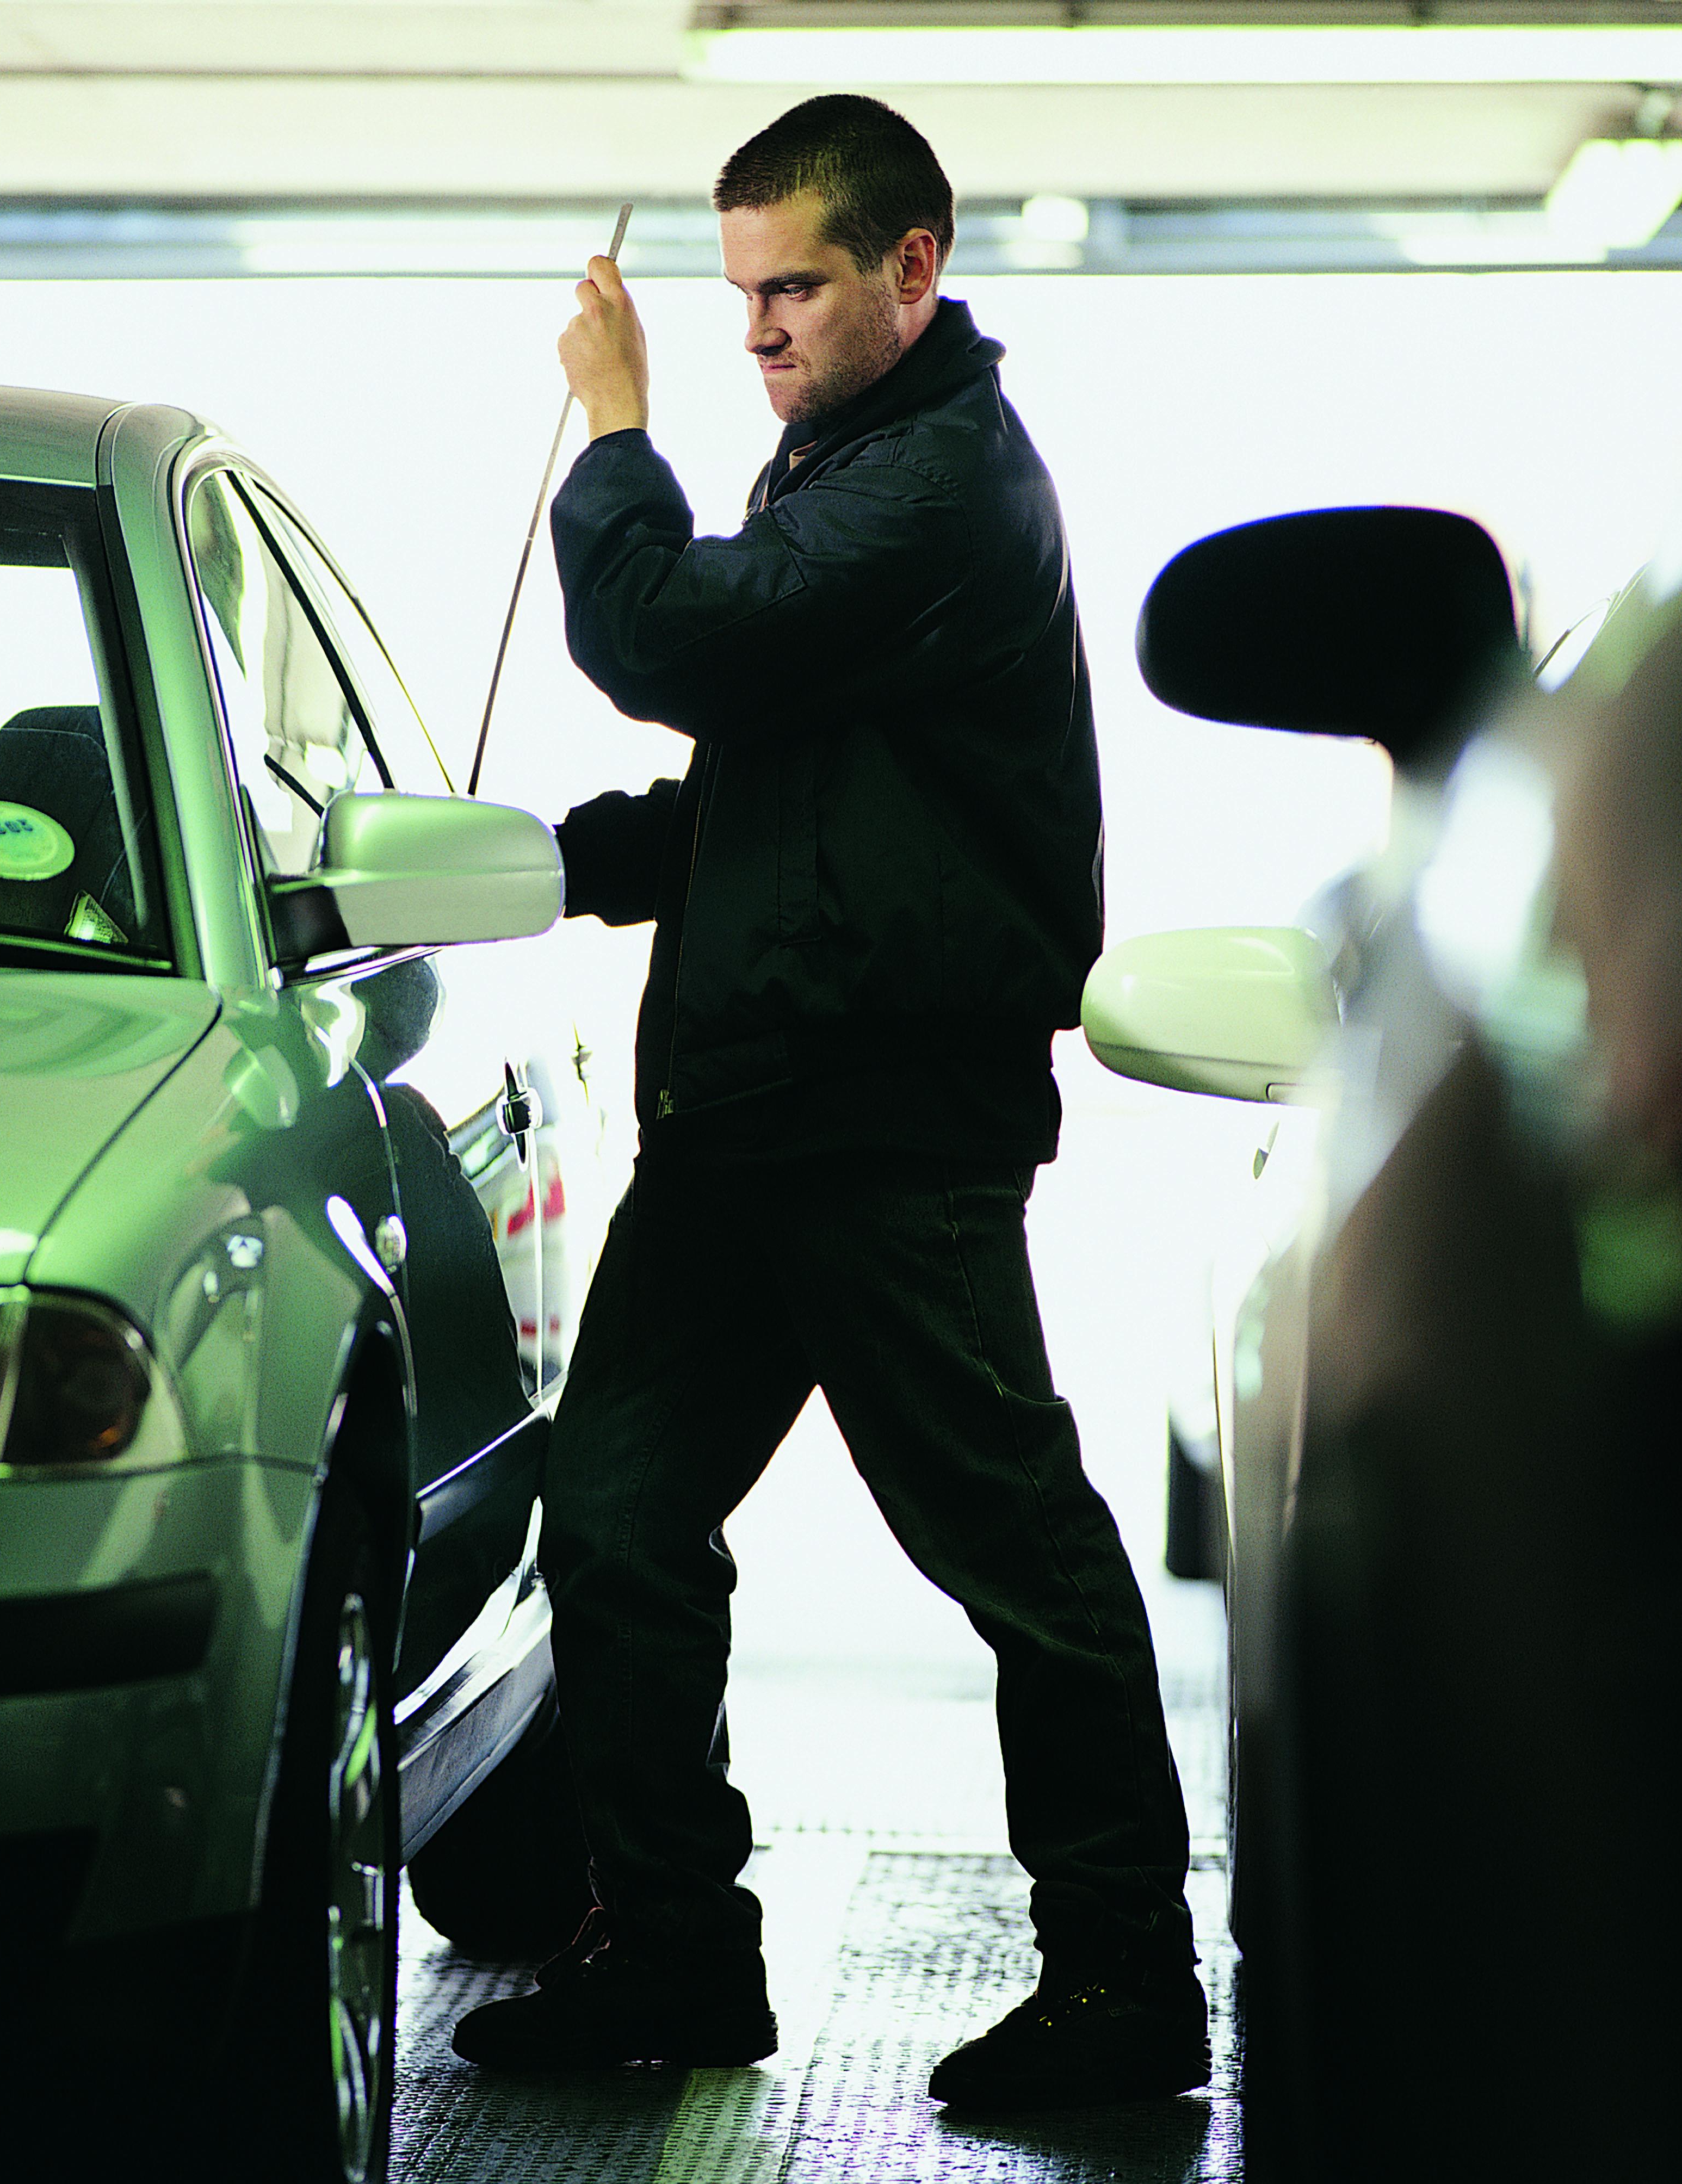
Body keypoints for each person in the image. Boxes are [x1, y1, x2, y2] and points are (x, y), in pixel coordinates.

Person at [449, 94, 1204, 2112]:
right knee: (610, 1522)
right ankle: (676, 1955)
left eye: (794, 285)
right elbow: (782, 793)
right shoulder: (837, 460)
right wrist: (545, 864)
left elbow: (677, 638)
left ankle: (1129, 1982)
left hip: (885, 1135)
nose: (758, 327)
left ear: (910, 269)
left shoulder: (944, 482)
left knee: (1017, 1555)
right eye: (736, 299)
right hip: (742, 1118)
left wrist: (614, 430)